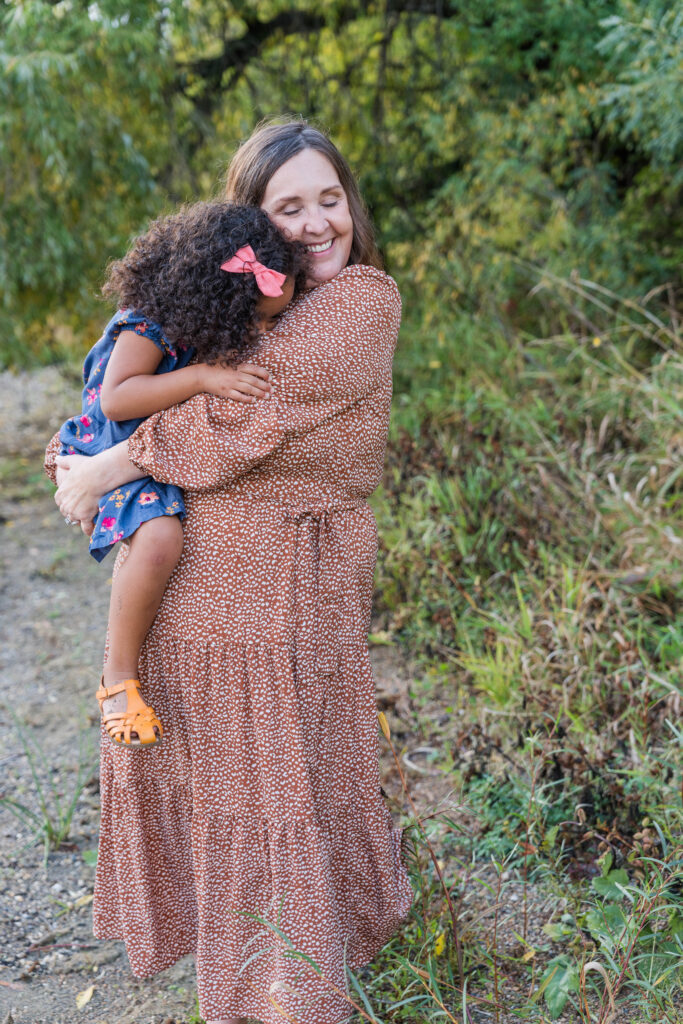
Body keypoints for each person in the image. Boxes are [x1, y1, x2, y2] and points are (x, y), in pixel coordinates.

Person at [46, 119, 413, 1024]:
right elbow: (160, 378)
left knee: (288, 792)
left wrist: (106, 466)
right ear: (247, 227)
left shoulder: (361, 299)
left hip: (294, 582)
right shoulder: (243, 307)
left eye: (329, 198)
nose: (317, 223)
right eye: (289, 208)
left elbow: (243, 418)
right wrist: (103, 450)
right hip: (206, 595)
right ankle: (254, 994)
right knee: (234, 797)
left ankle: (295, 994)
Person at [57, 201, 303, 748]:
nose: (262, 328)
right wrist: (201, 377)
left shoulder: (206, 319)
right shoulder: (151, 322)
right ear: (224, 297)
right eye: (257, 316)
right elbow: (119, 400)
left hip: (155, 446)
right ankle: (117, 677)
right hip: (115, 442)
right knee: (162, 537)